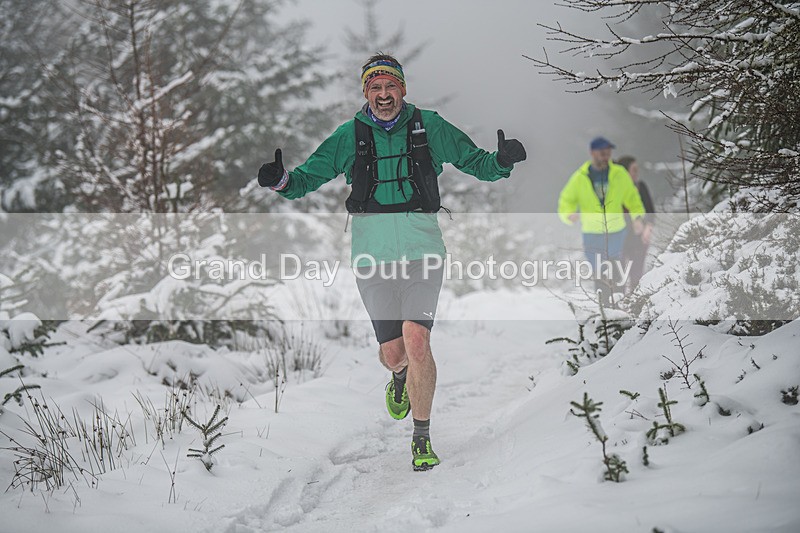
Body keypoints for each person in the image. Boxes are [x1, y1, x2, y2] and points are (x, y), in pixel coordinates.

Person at [256, 54, 526, 471]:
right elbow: (307, 178)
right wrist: (281, 180)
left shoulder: (429, 126)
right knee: (393, 351)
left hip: (422, 252)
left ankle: (421, 437)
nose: (384, 96)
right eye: (375, 88)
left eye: (390, 87)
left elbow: (475, 162)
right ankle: (398, 378)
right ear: (366, 93)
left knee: (417, 339)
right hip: (372, 258)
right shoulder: (350, 135)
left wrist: (502, 161)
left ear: (403, 89)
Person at [557, 137, 645, 304]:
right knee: (599, 271)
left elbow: (633, 199)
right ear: (592, 153)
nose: (606, 156)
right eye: (602, 153)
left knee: (615, 268)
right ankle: (604, 309)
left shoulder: (619, 174)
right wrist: (568, 215)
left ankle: (618, 306)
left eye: (608, 153)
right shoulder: (580, 177)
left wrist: (638, 218)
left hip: (616, 231)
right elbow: (565, 200)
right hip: (591, 233)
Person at [616, 155, 655, 293]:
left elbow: (650, 212)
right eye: (634, 169)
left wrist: (647, 229)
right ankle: (617, 307)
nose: (636, 173)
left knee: (636, 276)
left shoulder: (640, 187)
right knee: (617, 276)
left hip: (638, 239)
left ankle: (635, 305)